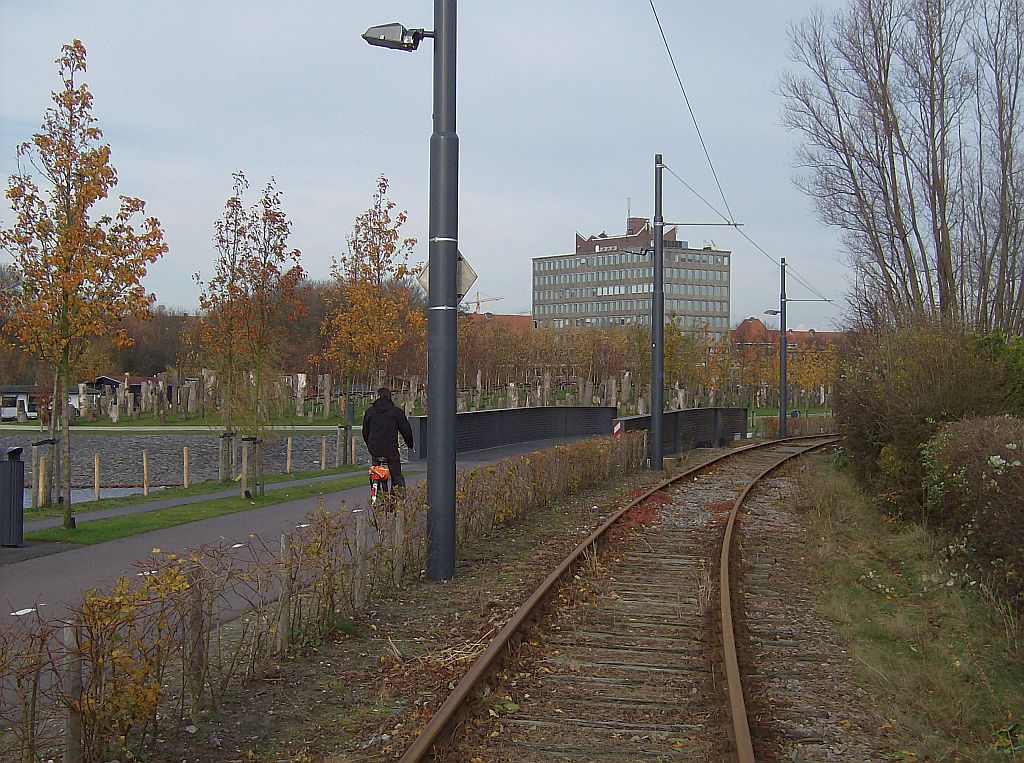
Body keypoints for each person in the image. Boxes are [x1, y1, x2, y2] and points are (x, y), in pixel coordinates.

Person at [362, 387, 415, 490]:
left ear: (378, 397)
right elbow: (406, 430)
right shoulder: (396, 412)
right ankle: (397, 498)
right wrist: (410, 444)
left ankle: (376, 490)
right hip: (391, 449)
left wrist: (369, 444)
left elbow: (365, 431)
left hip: (375, 449)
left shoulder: (370, 412)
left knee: (376, 471)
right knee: (396, 475)